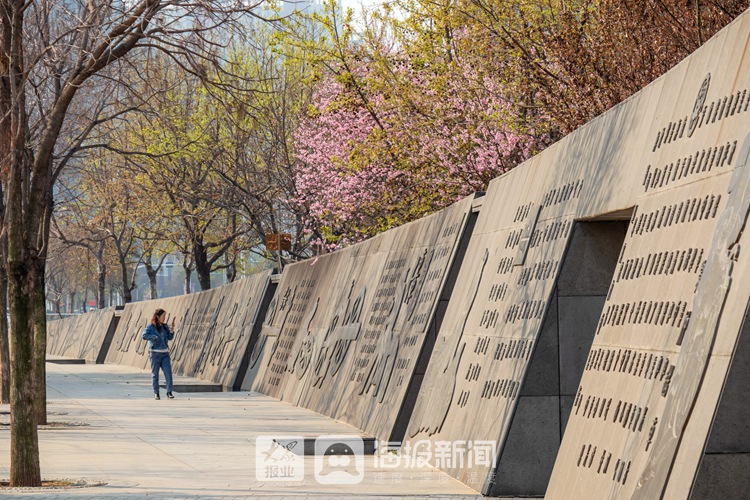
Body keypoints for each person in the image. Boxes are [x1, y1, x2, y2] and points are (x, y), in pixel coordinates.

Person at [142, 308, 175, 400]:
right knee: (155, 374)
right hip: (155, 353)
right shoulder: (151, 327)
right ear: (158, 316)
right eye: (163, 316)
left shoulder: (165, 327)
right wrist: (154, 337)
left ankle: (169, 392)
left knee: (168, 372)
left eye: (165, 316)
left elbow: (169, 337)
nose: (164, 318)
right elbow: (144, 336)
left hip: (165, 354)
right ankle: (156, 392)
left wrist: (172, 330)